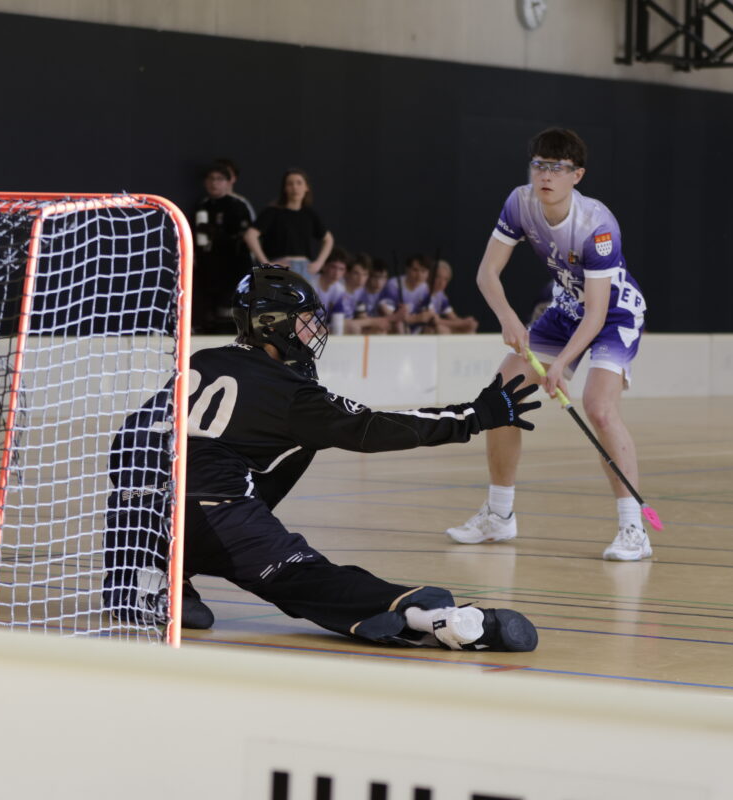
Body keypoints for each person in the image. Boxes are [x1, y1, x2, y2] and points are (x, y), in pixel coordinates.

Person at [105, 265, 541, 652]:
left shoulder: (202, 359)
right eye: (305, 321)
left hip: (140, 516)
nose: (314, 331)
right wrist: (473, 416)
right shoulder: (290, 392)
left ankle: (148, 578)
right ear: (273, 325)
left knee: (191, 540)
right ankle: (430, 616)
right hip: (222, 513)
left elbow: (129, 437)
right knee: (308, 579)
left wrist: (145, 512)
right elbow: (373, 428)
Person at [446, 127, 650, 561]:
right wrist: (509, 318)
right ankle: (499, 516)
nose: (545, 175)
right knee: (502, 396)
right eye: (539, 164)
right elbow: (487, 273)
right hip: (564, 309)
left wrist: (561, 366)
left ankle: (634, 528)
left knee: (598, 406)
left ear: (577, 175)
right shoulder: (520, 202)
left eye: (557, 168)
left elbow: (597, 313)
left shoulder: (597, 225)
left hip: (613, 313)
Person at [193, 162, 253, 333]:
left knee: (228, 316)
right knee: (207, 315)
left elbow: (244, 236)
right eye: (211, 179)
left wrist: (218, 233)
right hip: (207, 269)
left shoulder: (237, 205)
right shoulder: (201, 206)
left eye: (219, 179)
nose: (214, 183)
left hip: (232, 270)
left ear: (229, 182)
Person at [245, 168, 335, 276]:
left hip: (305, 268)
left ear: (306, 187)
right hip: (281, 267)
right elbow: (250, 235)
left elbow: (328, 239)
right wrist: (266, 263)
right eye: (290, 184)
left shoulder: (310, 214)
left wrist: (319, 263)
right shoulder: (272, 212)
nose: (295, 187)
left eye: (299, 183)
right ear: (285, 188)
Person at [422, 260, 479, 334]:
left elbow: (453, 317)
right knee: (441, 329)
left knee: (469, 331)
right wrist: (463, 323)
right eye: (438, 277)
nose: (441, 282)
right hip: (419, 330)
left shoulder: (441, 295)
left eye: (445, 279)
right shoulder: (423, 292)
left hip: (433, 327)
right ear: (430, 276)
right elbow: (433, 321)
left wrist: (467, 323)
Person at [381, 254, 432, 333]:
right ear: (407, 269)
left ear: (428, 273)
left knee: (432, 329)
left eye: (423, 271)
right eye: (415, 270)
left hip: (415, 326)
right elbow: (387, 311)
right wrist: (405, 318)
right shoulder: (394, 284)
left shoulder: (425, 288)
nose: (419, 275)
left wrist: (409, 319)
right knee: (399, 325)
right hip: (396, 326)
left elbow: (427, 315)